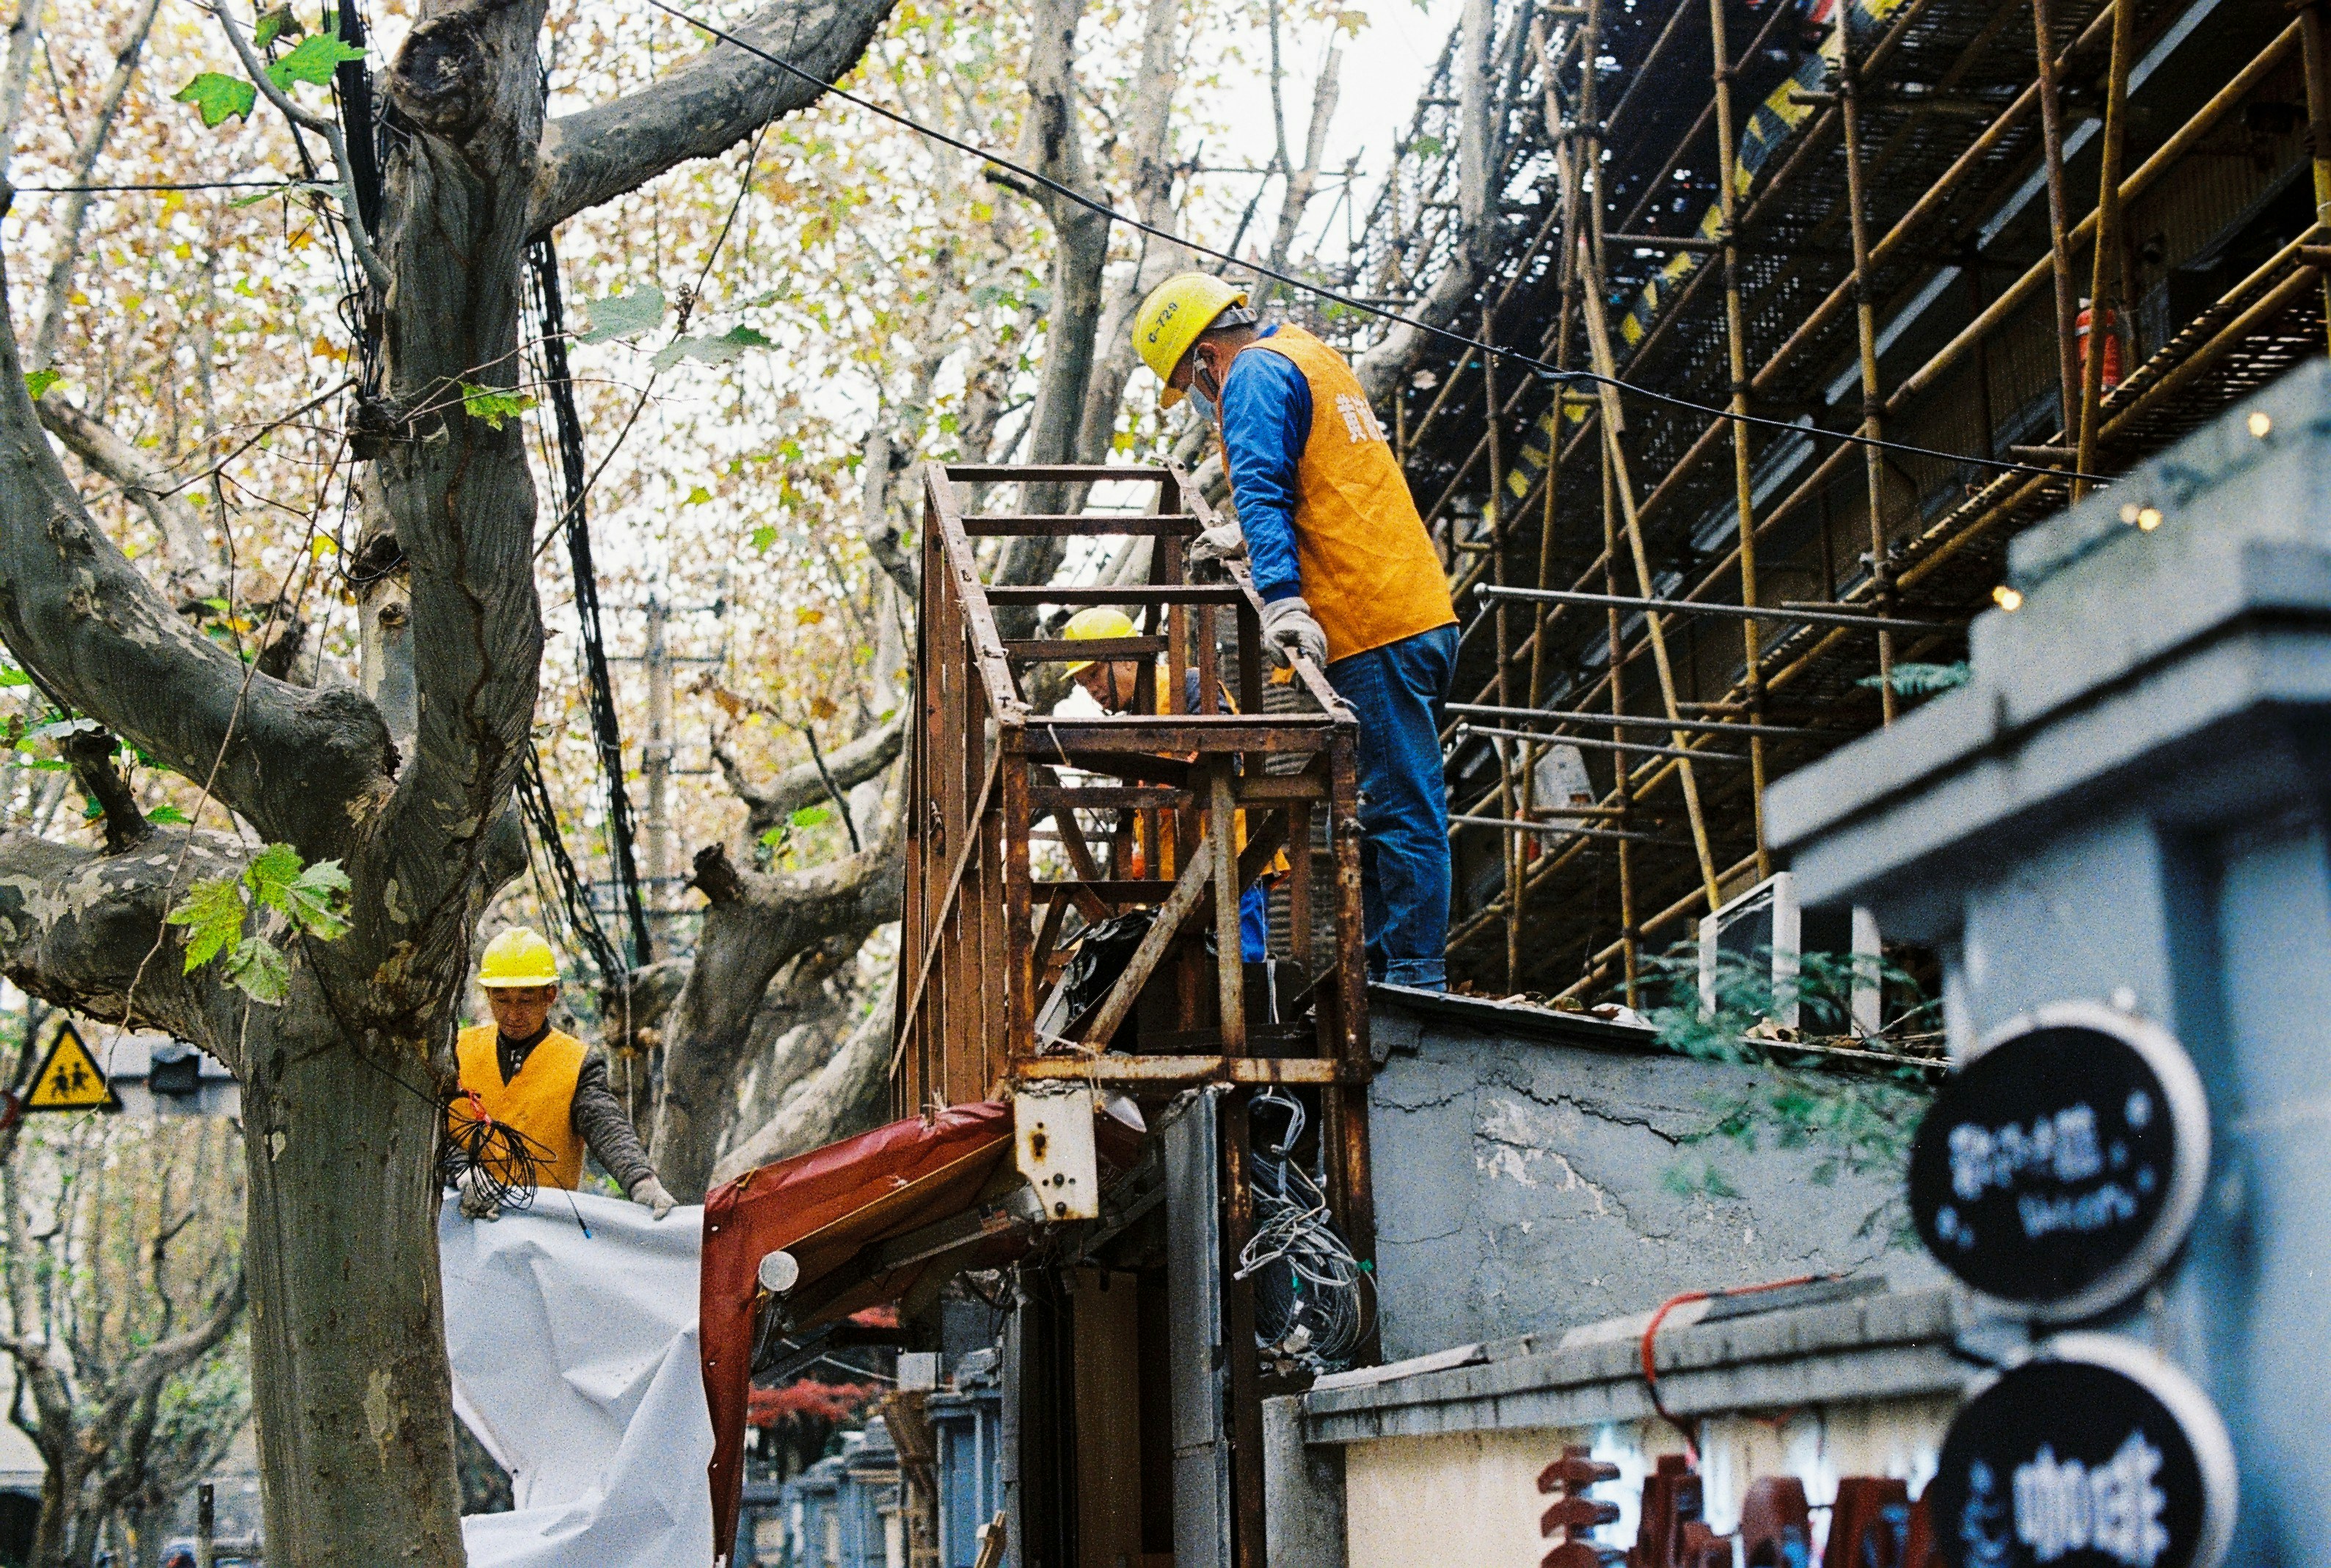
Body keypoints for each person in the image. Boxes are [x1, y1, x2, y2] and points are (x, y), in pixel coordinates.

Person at [1131, 274, 1457, 989]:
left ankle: (1412, 981)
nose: (1200, 395)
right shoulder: (1309, 354)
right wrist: (1249, 540)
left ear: (1208, 357)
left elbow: (1265, 484)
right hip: (1414, 607)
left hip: (1369, 622)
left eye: (1191, 381)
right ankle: (1382, 968)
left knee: (1401, 810)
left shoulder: (1248, 374)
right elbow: (1324, 480)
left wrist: (1279, 598)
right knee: (1381, 807)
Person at [1060, 606, 1275, 961]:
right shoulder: (1133, 721)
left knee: (1241, 961)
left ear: (1127, 659)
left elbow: (1227, 750)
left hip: (1229, 855)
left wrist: (1168, 788)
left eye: (1095, 674)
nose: (1092, 690)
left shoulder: (1186, 684)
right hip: (1179, 872)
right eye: (1084, 684)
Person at [448, 927, 675, 1219]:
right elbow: (426, 1127)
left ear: (550, 995)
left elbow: (604, 1123)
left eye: (526, 1001)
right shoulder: (457, 1050)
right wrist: (462, 1171)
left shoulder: (576, 1062)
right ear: (488, 994)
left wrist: (641, 1180)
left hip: (543, 1231)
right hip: (458, 1223)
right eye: (501, 1000)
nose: (513, 1014)